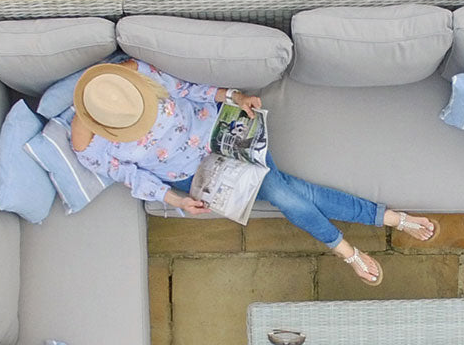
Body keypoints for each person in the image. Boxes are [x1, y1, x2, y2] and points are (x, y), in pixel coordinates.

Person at [69, 59, 436, 286]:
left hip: (223, 135)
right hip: (193, 177)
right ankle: (384, 219)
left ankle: (349, 249)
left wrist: (233, 97)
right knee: (283, 191)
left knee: (280, 192)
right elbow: (134, 179)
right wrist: (175, 198)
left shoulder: (132, 76)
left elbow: (189, 91)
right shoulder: (88, 145)